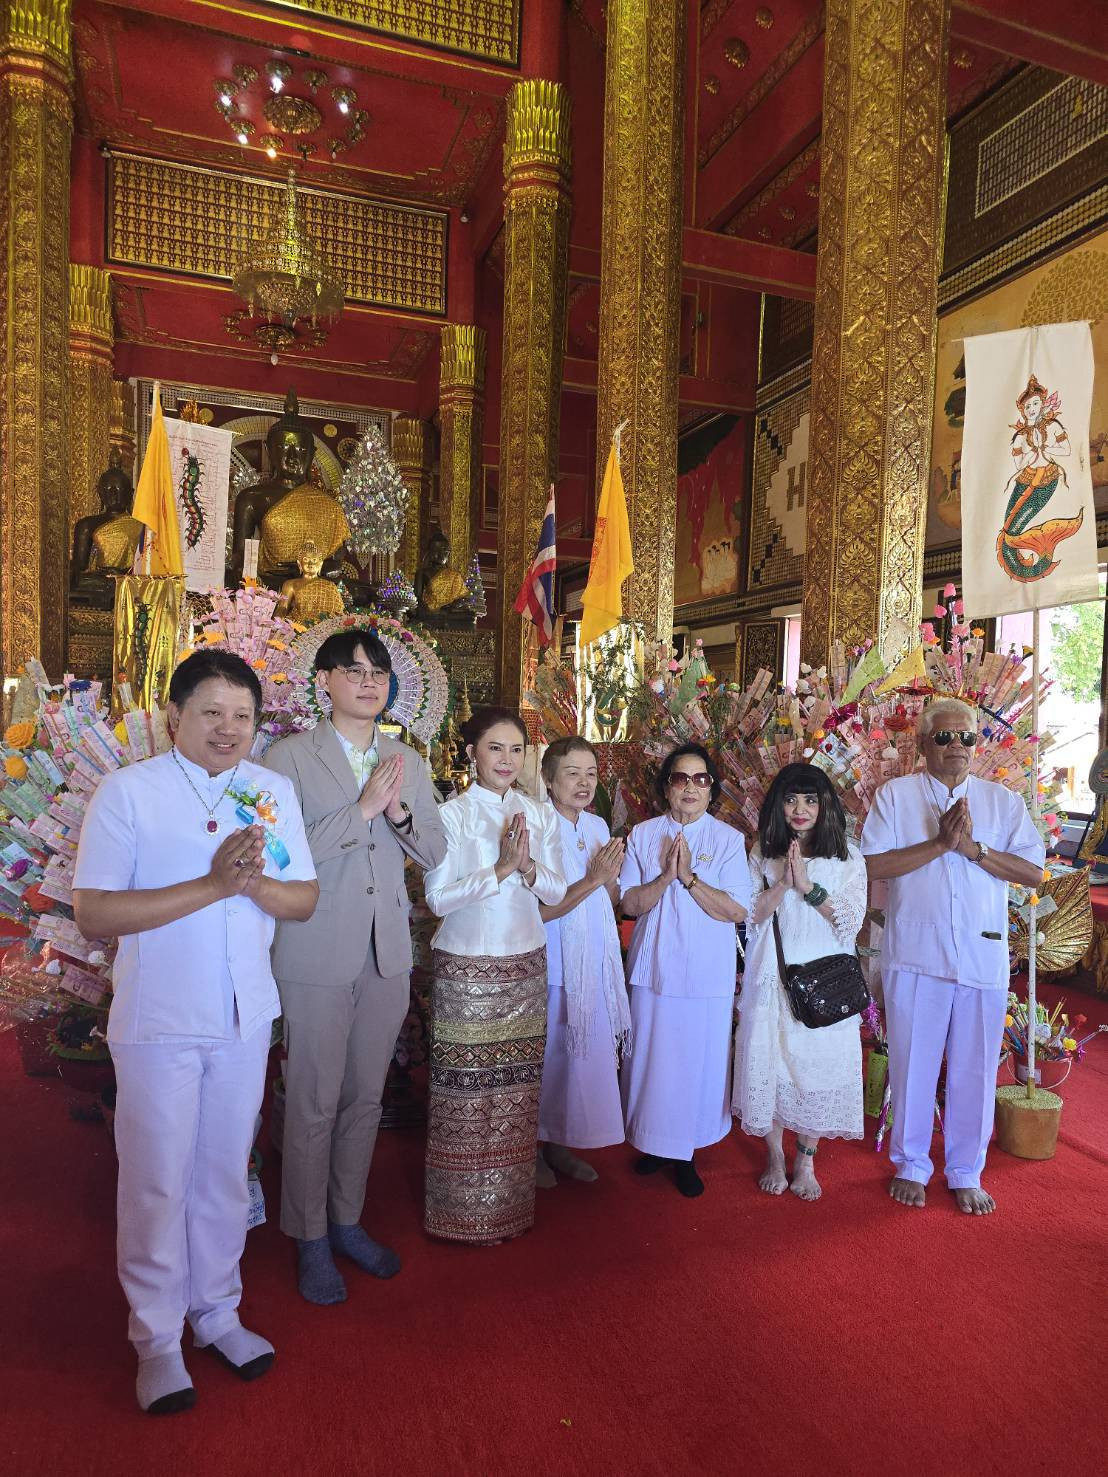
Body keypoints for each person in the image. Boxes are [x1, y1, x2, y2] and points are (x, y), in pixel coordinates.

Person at [72, 650, 318, 1416]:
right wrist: (212, 884)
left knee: (221, 1173)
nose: (229, 728)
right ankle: (155, 1338)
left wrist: (254, 886)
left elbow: (303, 897)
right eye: (212, 712)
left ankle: (216, 1311)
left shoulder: (269, 792)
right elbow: (96, 912)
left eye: (243, 715)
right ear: (174, 715)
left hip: (245, 1013)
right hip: (158, 1020)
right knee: (156, 1180)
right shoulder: (130, 793)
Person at [264, 628, 446, 1304]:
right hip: (314, 947)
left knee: (365, 1096)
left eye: (380, 672)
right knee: (312, 1096)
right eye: (355, 671)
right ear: (325, 682)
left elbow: (433, 851)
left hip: (386, 953)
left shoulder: (408, 759)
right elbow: (276, 853)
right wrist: (359, 810)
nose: (370, 682)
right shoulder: (286, 757)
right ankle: (308, 1235)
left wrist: (395, 810)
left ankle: (346, 1220)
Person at [860, 697, 1045, 1215]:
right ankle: (912, 1163)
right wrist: (940, 844)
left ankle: (966, 1169)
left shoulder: (1002, 802)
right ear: (922, 745)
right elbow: (872, 865)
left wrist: (973, 850)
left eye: (966, 737)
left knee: (975, 1068)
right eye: (943, 737)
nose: (956, 746)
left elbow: (1033, 873)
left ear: (978, 744)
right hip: (915, 956)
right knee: (912, 1064)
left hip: (981, 957)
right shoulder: (895, 796)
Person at [422, 707, 566, 1243]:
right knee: (466, 1091)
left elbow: (555, 891)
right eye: (495, 748)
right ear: (472, 753)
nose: (507, 760)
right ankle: (460, 1216)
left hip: (526, 961)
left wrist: (527, 867)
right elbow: (439, 898)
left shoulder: (539, 814)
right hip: (468, 967)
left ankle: (506, 1209)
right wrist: (500, 869)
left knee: (513, 1091)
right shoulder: (452, 815)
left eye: (516, 749)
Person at [619, 743, 749, 1198]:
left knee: (698, 1063)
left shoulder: (729, 840)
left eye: (701, 779)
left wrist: (690, 877)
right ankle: (654, 1143)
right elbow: (629, 904)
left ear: (712, 790)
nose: (690, 788)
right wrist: (665, 877)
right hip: (653, 968)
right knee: (653, 1061)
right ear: (665, 788)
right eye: (680, 778)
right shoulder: (643, 834)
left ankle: (686, 1152)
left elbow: (736, 910)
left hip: (706, 974)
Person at [732, 764, 867, 1201]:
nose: (801, 809)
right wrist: (783, 885)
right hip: (772, 974)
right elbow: (748, 912)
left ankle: (805, 1159)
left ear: (825, 805)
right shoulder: (761, 850)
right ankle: (774, 1154)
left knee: (817, 1065)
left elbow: (850, 922)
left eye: (811, 800)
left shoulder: (849, 856)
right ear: (778, 805)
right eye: (792, 800)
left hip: (824, 977)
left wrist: (808, 887)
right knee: (768, 1061)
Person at [535, 737, 630, 1186]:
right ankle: (529, 1149)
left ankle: (559, 1144)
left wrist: (608, 879)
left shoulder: (595, 828)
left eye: (591, 773)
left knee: (577, 1062)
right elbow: (539, 904)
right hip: (552, 961)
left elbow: (609, 899)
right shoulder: (537, 825)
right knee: (546, 1058)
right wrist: (595, 878)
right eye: (572, 773)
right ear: (549, 779)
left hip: (592, 959)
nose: (583, 782)